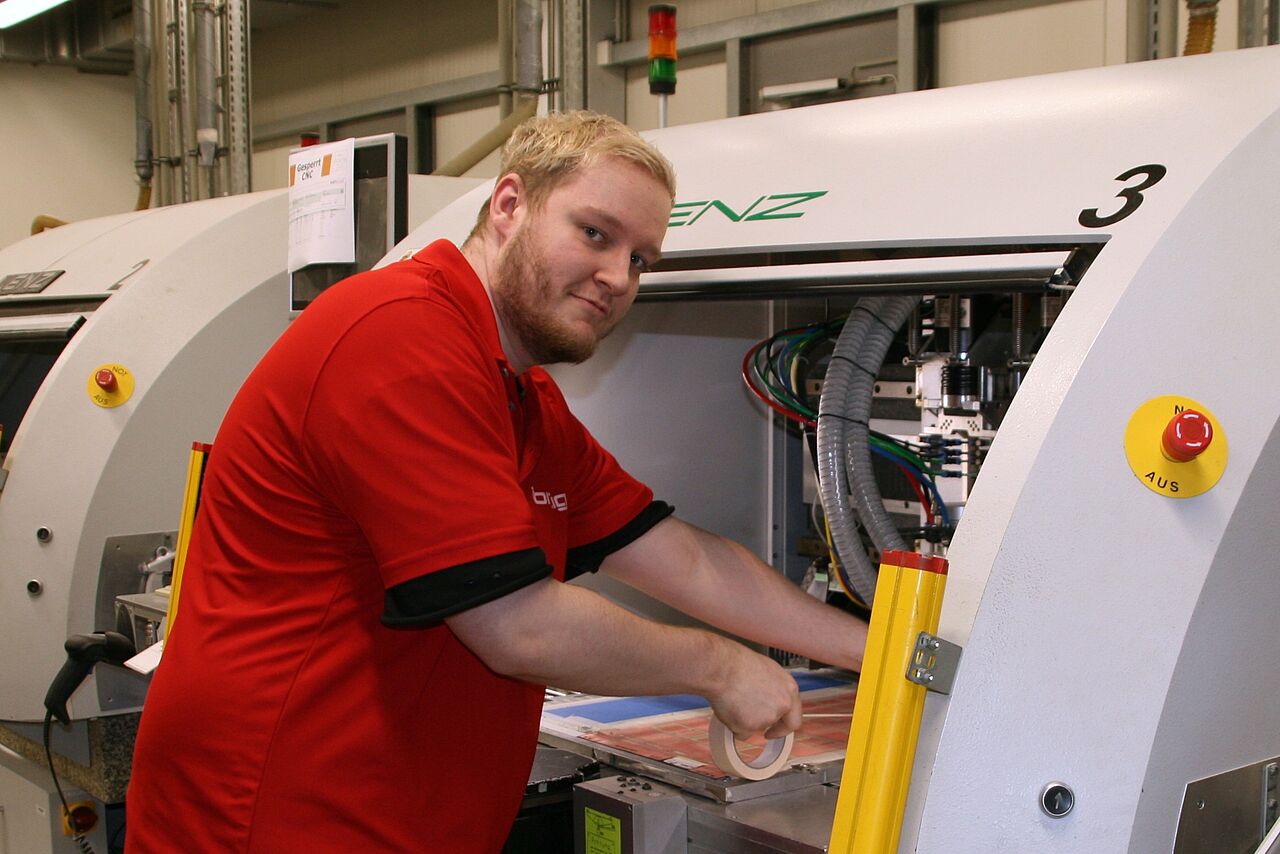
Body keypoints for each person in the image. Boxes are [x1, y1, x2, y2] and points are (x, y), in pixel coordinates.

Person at [127, 111, 869, 852]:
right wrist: (719, 665)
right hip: (274, 817)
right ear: (510, 204)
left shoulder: (521, 398)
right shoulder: (400, 335)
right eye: (595, 233)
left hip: (397, 816)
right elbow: (518, 626)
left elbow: (688, 559)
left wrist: (878, 651)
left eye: (641, 259)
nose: (618, 278)